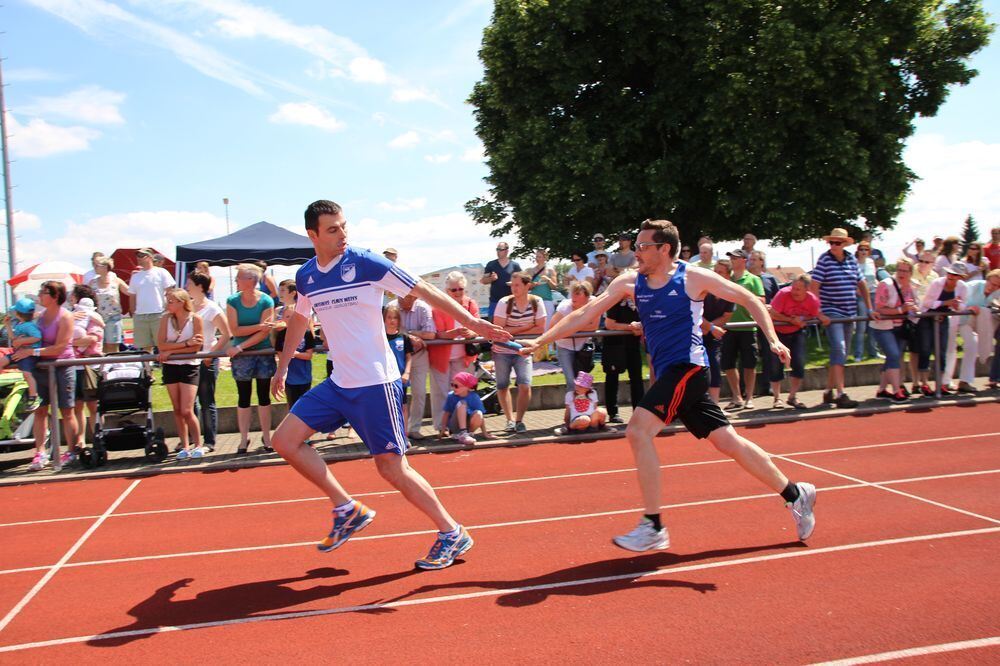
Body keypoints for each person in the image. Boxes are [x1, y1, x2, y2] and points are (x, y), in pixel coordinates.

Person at [519, 218, 815, 551]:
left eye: (644, 247)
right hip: (672, 373)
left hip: (688, 368)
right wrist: (540, 340)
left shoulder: (693, 277)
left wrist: (773, 340)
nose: (637, 253)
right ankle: (795, 493)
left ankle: (653, 525)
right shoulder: (630, 282)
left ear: (665, 249)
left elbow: (750, 299)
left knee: (637, 431)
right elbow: (585, 313)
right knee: (728, 442)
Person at [269, 199, 510, 570]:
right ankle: (347, 508)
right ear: (312, 235)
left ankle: (451, 531)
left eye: (344, 226)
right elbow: (300, 320)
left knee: (391, 468)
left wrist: (474, 324)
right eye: (333, 229)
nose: (343, 235)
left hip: (375, 383)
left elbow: (427, 291)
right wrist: (282, 365)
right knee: (283, 441)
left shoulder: (367, 263)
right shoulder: (306, 277)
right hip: (339, 383)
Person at [13, 281, 79, 470]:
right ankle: (40, 452)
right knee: (40, 410)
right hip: (41, 367)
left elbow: (60, 346)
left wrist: (31, 353)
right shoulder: (40, 317)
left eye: (43, 292)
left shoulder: (65, 316)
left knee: (67, 411)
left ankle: (71, 450)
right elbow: (32, 337)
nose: (39, 295)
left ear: (55, 296)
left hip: (62, 366)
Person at [810, 228, 876, 408]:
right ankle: (841, 393)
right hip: (832, 311)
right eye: (831, 242)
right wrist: (819, 313)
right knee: (839, 348)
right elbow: (814, 287)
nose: (834, 246)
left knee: (842, 353)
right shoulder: (824, 260)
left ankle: (828, 391)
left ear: (845, 244)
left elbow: (862, 283)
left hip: (849, 312)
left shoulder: (851, 260)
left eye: (837, 243)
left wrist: (869, 308)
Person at [227, 263, 277, 454]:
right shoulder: (232, 300)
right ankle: (243, 438)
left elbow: (265, 334)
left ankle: (267, 436)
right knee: (243, 396)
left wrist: (240, 346)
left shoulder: (266, 301)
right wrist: (259, 326)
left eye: (239, 277)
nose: (236, 281)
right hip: (242, 357)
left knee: (264, 396)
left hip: (261, 353)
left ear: (250, 281)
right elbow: (235, 329)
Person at [492, 272, 547, 432]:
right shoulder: (504, 302)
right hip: (502, 350)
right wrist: (526, 327)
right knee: (502, 386)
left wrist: (513, 332)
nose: (513, 289)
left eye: (517, 285)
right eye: (512, 285)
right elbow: (499, 329)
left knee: (525, 384)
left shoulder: (537, 302)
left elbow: (540, 328)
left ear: (527, 286)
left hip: (524, 350)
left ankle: (519, 420)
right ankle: (509, 419)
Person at [158, 287, 205, 458]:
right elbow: (161, 345)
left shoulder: (196, 319)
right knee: (177, 409)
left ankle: (198, 444)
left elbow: (196, 346)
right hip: (170, 366)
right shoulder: (165, 319)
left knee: (187, 409)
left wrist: (172, 351)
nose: (168, 304)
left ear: (181, 302)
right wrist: (183, 345)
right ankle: (184, 445)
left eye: (171, 301)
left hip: (189, 366)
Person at [428, 271, 480, 423]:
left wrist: (470, 331)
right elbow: (438, 334)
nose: (458, 293)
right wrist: (455, 333)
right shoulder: (438, 306)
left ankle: (457, 425)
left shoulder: (471, 304)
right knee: (441, 393)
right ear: (447, 291)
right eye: (454, 290)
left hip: (463, 357)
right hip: (441, 357)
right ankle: (440, 426)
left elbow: (478, 326)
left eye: (461, 289)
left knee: (461, 392)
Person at [768, 275, 828, 409]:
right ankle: (777, 398)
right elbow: (772, 313)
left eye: (798, 289)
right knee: (775, 365)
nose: (794, 291)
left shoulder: (812, 299)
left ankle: (792, 396)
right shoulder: (783, 294)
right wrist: (790, 320)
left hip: (796, 332)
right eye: (793, 288)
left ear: (807, 290)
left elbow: (816, 312)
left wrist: (820, 317)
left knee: (799, 363)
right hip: (778, 333)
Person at [187, 271, 230, 452]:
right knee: (190, 403)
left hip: (206, 359)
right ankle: (192, 439)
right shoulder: (187, 307)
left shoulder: (212, 308)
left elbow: (226, 334)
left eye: (189, 283)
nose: (187, 286)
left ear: (199, 286)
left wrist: (210, 354)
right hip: (188, 360)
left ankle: (209, 441)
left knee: (206, 400)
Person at [720, 249, 764, 411]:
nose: (732, 259)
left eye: (735, 257)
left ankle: (750, 397)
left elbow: (761, 300)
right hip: (728, 327)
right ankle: (737, 396)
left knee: (749, 363)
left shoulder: (753, 279)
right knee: (728, 363)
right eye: (730, 257)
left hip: (747, 326)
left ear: (744, 260)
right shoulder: (726, 279)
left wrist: (744, 296)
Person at [388, 293, 436, 439]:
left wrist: (411, 334)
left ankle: (413, 428)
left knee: (420, 392)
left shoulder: (423, 308)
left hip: (419, 356)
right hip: (397, 357)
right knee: (393, 396)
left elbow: (430, 334)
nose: (403, 299)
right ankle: (395, 430)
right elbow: (386, 328)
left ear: (415, 298)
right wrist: (410, 337)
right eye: (401, 296)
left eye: (408, 297)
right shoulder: (392, 306)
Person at [870, 260, 918, 402]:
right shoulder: (885, 284)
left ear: (910, 273)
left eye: (905, 271)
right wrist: (900, 310)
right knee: (894, 355)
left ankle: (882, 390)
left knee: (892, 357)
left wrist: (913, 308)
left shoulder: (912, 286)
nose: (902, 273)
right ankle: (897, 391)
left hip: (901, 327)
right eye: (899, 270)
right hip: (883, 326)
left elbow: (916, 304)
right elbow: (879, 308)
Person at [947, 268, 1000, 392]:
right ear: (987, 279)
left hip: (972, 322)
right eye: (992, 284)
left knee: (972, 346)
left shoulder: (997, 292)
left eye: (997, 286)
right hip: (957, 319)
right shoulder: (972, 286)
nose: (994, 287)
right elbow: (957, 300)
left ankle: (964, 382)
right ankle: (946, 382)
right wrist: (968, 307)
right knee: (951, 349)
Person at [921, 264, 968, 394]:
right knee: (925, 349)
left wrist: (957, 305)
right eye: (949, 273)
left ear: (960, 277)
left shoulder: (963, 287)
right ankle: (924, 383)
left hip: (944, 319)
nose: (951, 276)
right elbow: (926, 303)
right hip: (927, 317)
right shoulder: (937, 283)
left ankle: (940, 384)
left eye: (955, 275)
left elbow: (963, 306)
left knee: (942, 351)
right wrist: (945, 303)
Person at [69, 287, 104, 452]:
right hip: (73, 366)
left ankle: (98, 438)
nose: (70, 298)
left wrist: (69, 342)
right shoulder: (71, 317)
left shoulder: (94, 318)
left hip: (90, 367)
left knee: (93, 405)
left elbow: (91, 339)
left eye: (73, 295)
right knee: (77, 405)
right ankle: (80, 441)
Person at [601, 294, 644, 424]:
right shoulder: (615, 300)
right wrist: (630, 327)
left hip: (633, 345)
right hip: (614, 344)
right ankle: (613, 413)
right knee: (612, 377)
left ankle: (639, 413)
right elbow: (609, 324)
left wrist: (641, 328)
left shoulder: (641, 300)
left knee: (637, 378)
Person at [275, 278, 317, 410]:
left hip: (304, 376)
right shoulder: (281, 335)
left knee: (305, 403)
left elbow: (309, 352)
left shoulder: (306, 333)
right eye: (286, 317)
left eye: (283, 290)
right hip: (289, 377)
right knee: (292, 406)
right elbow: (280, 353)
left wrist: (295, 353)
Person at [551, 281, 600, 385]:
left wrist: (569, 328)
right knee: (571, 382)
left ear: (587, 296)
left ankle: (583, 401)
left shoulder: (594, 303)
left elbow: (594, 326)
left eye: (578, 293)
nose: (573, 296)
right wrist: (582, 327)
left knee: (583, 383)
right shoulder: (564, 306)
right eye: (573, 292)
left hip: (584, 348)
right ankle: (571, 401)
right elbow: (552, 327)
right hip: (564, 347)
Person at [128, 248, 175, 353]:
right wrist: (133, 311)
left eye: (142, 256)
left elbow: (170, 292)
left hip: (159, 313)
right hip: (140, 315)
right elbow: (132, 295)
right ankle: (147, 368)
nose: (138, 258)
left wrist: (168, 310)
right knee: (145, 347)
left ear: (150, 257)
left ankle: (165, 366)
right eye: (137, 256)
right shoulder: (135, 276)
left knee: (163, 343)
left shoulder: (161, 272)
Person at [702, 261, 736, 404]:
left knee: (715, 367)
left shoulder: (730, 294)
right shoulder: (703, 290)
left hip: (713, 335)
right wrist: (710, 328)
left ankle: (715, 405)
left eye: (720, 272)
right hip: (696, 335)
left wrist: (710, 327)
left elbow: (726, 316)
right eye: (715, 271)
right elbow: (694, 313)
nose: (716, 274)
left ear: (727, 276)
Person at [748, 250, 781, 395]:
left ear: (761, 261)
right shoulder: (746, 278)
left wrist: (771, 306)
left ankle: (766, 386)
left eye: (755, 259)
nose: (752, 262)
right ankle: (746, 388)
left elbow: (778, 299)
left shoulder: (770, 279)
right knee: (751, 355)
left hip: (767, 321)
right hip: (749, 322)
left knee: (768, 354)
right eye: (751, 259)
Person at [1, 297, 42, 410]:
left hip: (28, 354)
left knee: (27, 374)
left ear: (18, 314)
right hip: (18, 352)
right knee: (1, 362)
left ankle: (34, 396)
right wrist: (8, 325)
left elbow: (37, 337)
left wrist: (22, 341)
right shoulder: (20, 324)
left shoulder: (29, 325)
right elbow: (13, 339)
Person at [89, 256, 128, 353]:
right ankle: (104, 367)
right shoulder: (92, 283)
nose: (95, 267)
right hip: (98, 319)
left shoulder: (116, 280)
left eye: (98, 265)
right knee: (101, 346)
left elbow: (130, 291)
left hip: (113, 317)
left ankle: (114, 366)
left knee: (113, 346)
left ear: (105, 267)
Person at [384, 303, 414, 426]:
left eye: (395, 318)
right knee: (385, 408)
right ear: (384, 319)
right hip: (385, 378)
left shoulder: (404, 337)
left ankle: (404, 435)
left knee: (402, 406)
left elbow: (408, 357)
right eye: (389, 317)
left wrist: (406, 373)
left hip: (400, 379)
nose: (392, 320)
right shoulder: (380, 337)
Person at [438, 371, 487, 445]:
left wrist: (485, 433)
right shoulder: (451, 396)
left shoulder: (474, 397)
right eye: (452, 385)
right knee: (462, 403)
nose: (453, 388)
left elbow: (481, 418)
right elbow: (446, 413)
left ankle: (468, 433)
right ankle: (462, 434)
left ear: (467, 387)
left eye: (456, 386)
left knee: (479, 413)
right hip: (454, 426)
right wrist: (443, 428)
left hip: (468, 423)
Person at [852, 242, 881, 362]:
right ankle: (858, 354)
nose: (864, 251)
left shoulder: (871, 262)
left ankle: (873, 352)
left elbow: (873, 278)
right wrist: (857, 290)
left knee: (873, 325)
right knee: (861, 326)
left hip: (873, 294)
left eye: (866, 249)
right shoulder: (853, 263)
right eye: (861, 249)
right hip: (860, 296)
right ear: (858, 251)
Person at [481, 242, 521, 320]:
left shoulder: (515, 265)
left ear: (506, 251)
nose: (498, 252)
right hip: (495, 301)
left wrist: (514, 283)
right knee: (493, 326)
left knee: (513, 325)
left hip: (511, 301)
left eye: (500, 249)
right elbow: (483, 280)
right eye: (497, 249)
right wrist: (491, 279)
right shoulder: (491, 264)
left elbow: (522, 280)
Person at [528, 249, 558, 319]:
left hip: (547, 301)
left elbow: (555, 287)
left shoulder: (551, 271)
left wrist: (548, 280)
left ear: (545, 258)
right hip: (534, 301)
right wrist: (533, 284)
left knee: (547, 326)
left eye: (539, 257)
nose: (537, 259)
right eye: (536, 257)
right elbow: (527, 287)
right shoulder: (531, 271)